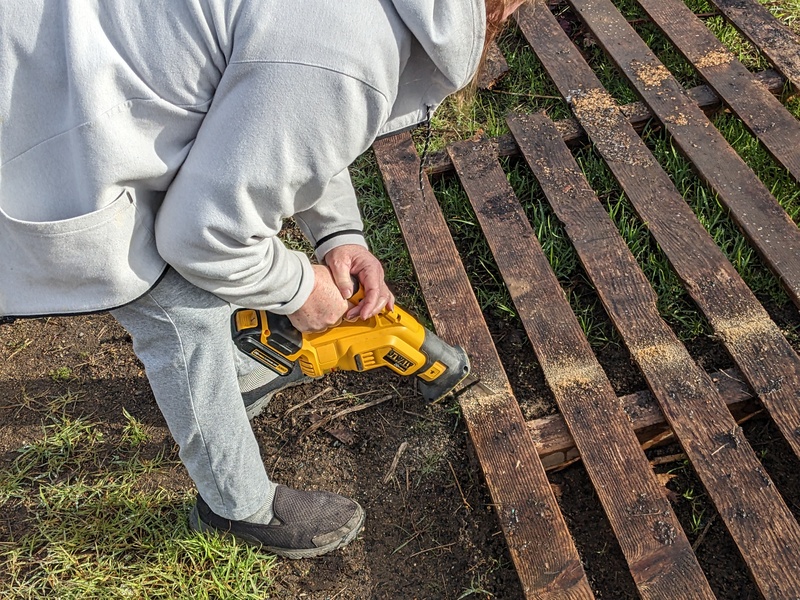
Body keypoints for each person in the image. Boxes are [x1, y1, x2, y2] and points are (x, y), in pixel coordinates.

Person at [1, 0, 526, 558]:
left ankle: (244, 375)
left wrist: (339, 236)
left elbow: (284, 114)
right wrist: (301, 291)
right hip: (36, 117)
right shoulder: (349, 49)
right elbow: (202, 237)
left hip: (52, 70)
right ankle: (239, 506)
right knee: (181, 306)